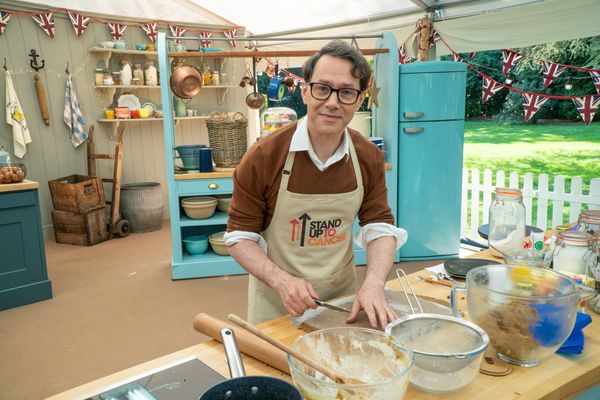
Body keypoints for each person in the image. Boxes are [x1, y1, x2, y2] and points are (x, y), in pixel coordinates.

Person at [224, 40, 407, 329]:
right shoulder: (264, 156)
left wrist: (373, 283)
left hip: (342, 302)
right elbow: (239, 237)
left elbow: (380, 227)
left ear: (360, 100)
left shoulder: (368, 157)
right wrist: (281, 281)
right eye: (323, 88)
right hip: (277, 301)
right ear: (306, 91)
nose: (332, 102)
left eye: (346, 92)